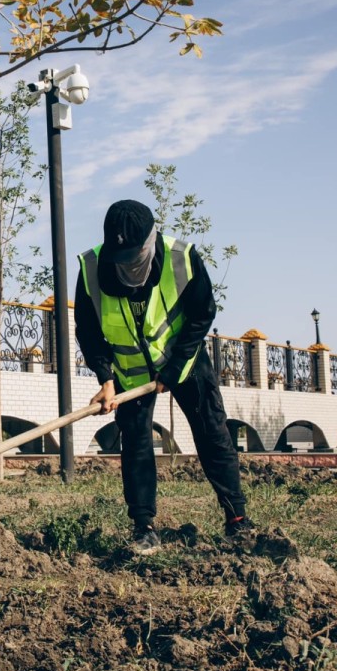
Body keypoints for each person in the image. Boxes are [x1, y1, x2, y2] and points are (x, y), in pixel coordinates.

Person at [74, 199, 251, 555]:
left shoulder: (182, 259)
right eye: (119, 260)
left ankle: (238, 521)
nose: (127, 268)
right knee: (136, 443)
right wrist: (105, 378)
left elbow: (203, 314)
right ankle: (144, 527)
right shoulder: (92, 268)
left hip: (183, 363)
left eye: (133, 259)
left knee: (212, 433)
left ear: (150, 242)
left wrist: (174, 368)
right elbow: (88, 330)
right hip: (130, 373)